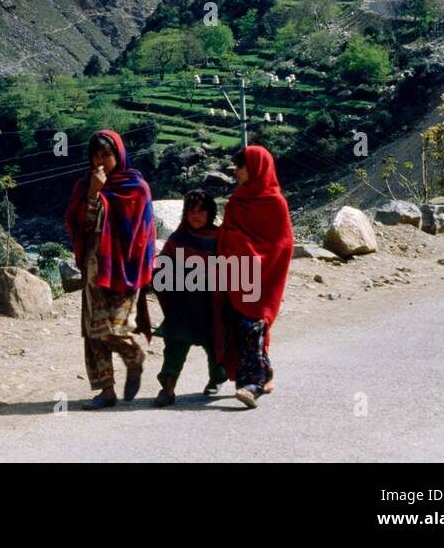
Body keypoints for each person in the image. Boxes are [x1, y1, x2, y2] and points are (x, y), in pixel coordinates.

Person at [64, 129, 155, 410]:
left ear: (119, 155)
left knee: (112, 330)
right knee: (94, 332)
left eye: (106, 154)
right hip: (94, 268)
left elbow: (141, 234)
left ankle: (133, 356)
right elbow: (77, 224)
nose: (100, 161)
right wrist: (93, 193)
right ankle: (106, 391)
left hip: (124, 269)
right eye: (96, 155)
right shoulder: (85, 185)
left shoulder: (136, 188)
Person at [215, 145, 294, 408]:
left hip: (266, 275)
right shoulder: (237, 201)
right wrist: (236, 243)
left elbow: (283, 244)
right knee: (244, 329)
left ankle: (252, 384)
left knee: (253, 326)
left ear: (257, 168)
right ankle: (266, 374)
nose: (236, 171)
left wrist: (254, 255)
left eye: (241, 166)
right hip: (238, 272)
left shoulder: (275, 203)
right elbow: (227, 232)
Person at [152, 189, 227, 406]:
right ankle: (167, 388)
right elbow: (163, 266)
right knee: (174, 346)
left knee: (215, 346)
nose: (196, 216)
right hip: (182, 306)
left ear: (210, 213)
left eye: (201, 211)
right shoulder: (178, 238)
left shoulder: (219, 239)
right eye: (191, 211)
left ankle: (217, 377)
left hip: (211, 305)